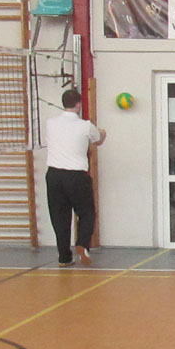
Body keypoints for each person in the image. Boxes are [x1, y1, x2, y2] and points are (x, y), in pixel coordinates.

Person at [45, 89, 105, 267]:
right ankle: (82, 244)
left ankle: (64, 257)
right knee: (86, 213)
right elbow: (98, 140)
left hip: (54, 175)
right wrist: (103, 132)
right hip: (76, 176)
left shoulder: (50, 123)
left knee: (59, 218)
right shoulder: (85, 125)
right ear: (79, 104)